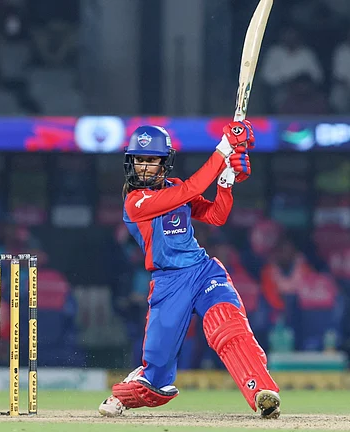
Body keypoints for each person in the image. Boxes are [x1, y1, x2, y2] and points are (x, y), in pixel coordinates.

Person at [98, 123, 281, 419]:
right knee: (156, 380)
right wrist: (224, 148)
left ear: (164, 162)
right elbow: (193, 188)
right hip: (169, 283)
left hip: (202, 271)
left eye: (151, 160)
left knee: (228, 326)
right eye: (139, 160)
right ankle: (126, 393)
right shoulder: (136, 202)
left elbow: (216, 215)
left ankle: (261, 392)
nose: (144, 167)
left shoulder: (174, 188)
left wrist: (227, 180)